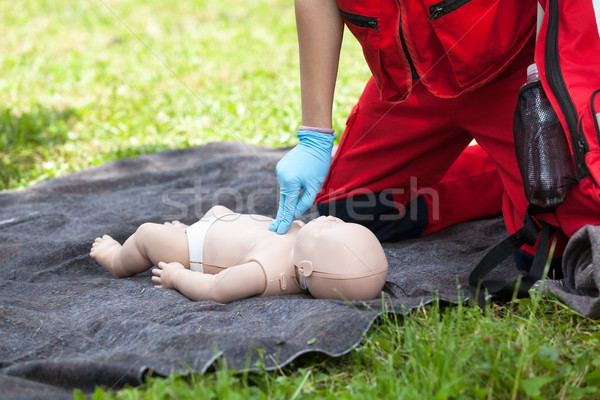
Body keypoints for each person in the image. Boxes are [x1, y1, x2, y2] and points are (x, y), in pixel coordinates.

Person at [269, 0, 563, 271]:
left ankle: (525, 178)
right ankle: (506, 178)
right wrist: (315, 134)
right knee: (349, 212)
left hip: (513, 69)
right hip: (413, 82)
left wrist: (559, 74)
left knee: (550, 250)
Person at [90, 205, 388, 303]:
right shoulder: (305, 247)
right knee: (218, 212)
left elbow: (215, 289)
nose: (331, 220)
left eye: (329, 230)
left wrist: (178, 276)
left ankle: (117, 259)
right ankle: (185, 229)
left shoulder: (263, 273)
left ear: (306, 269)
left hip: (194, 247)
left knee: (147, 234)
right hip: (218, 225)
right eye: (343, 223)